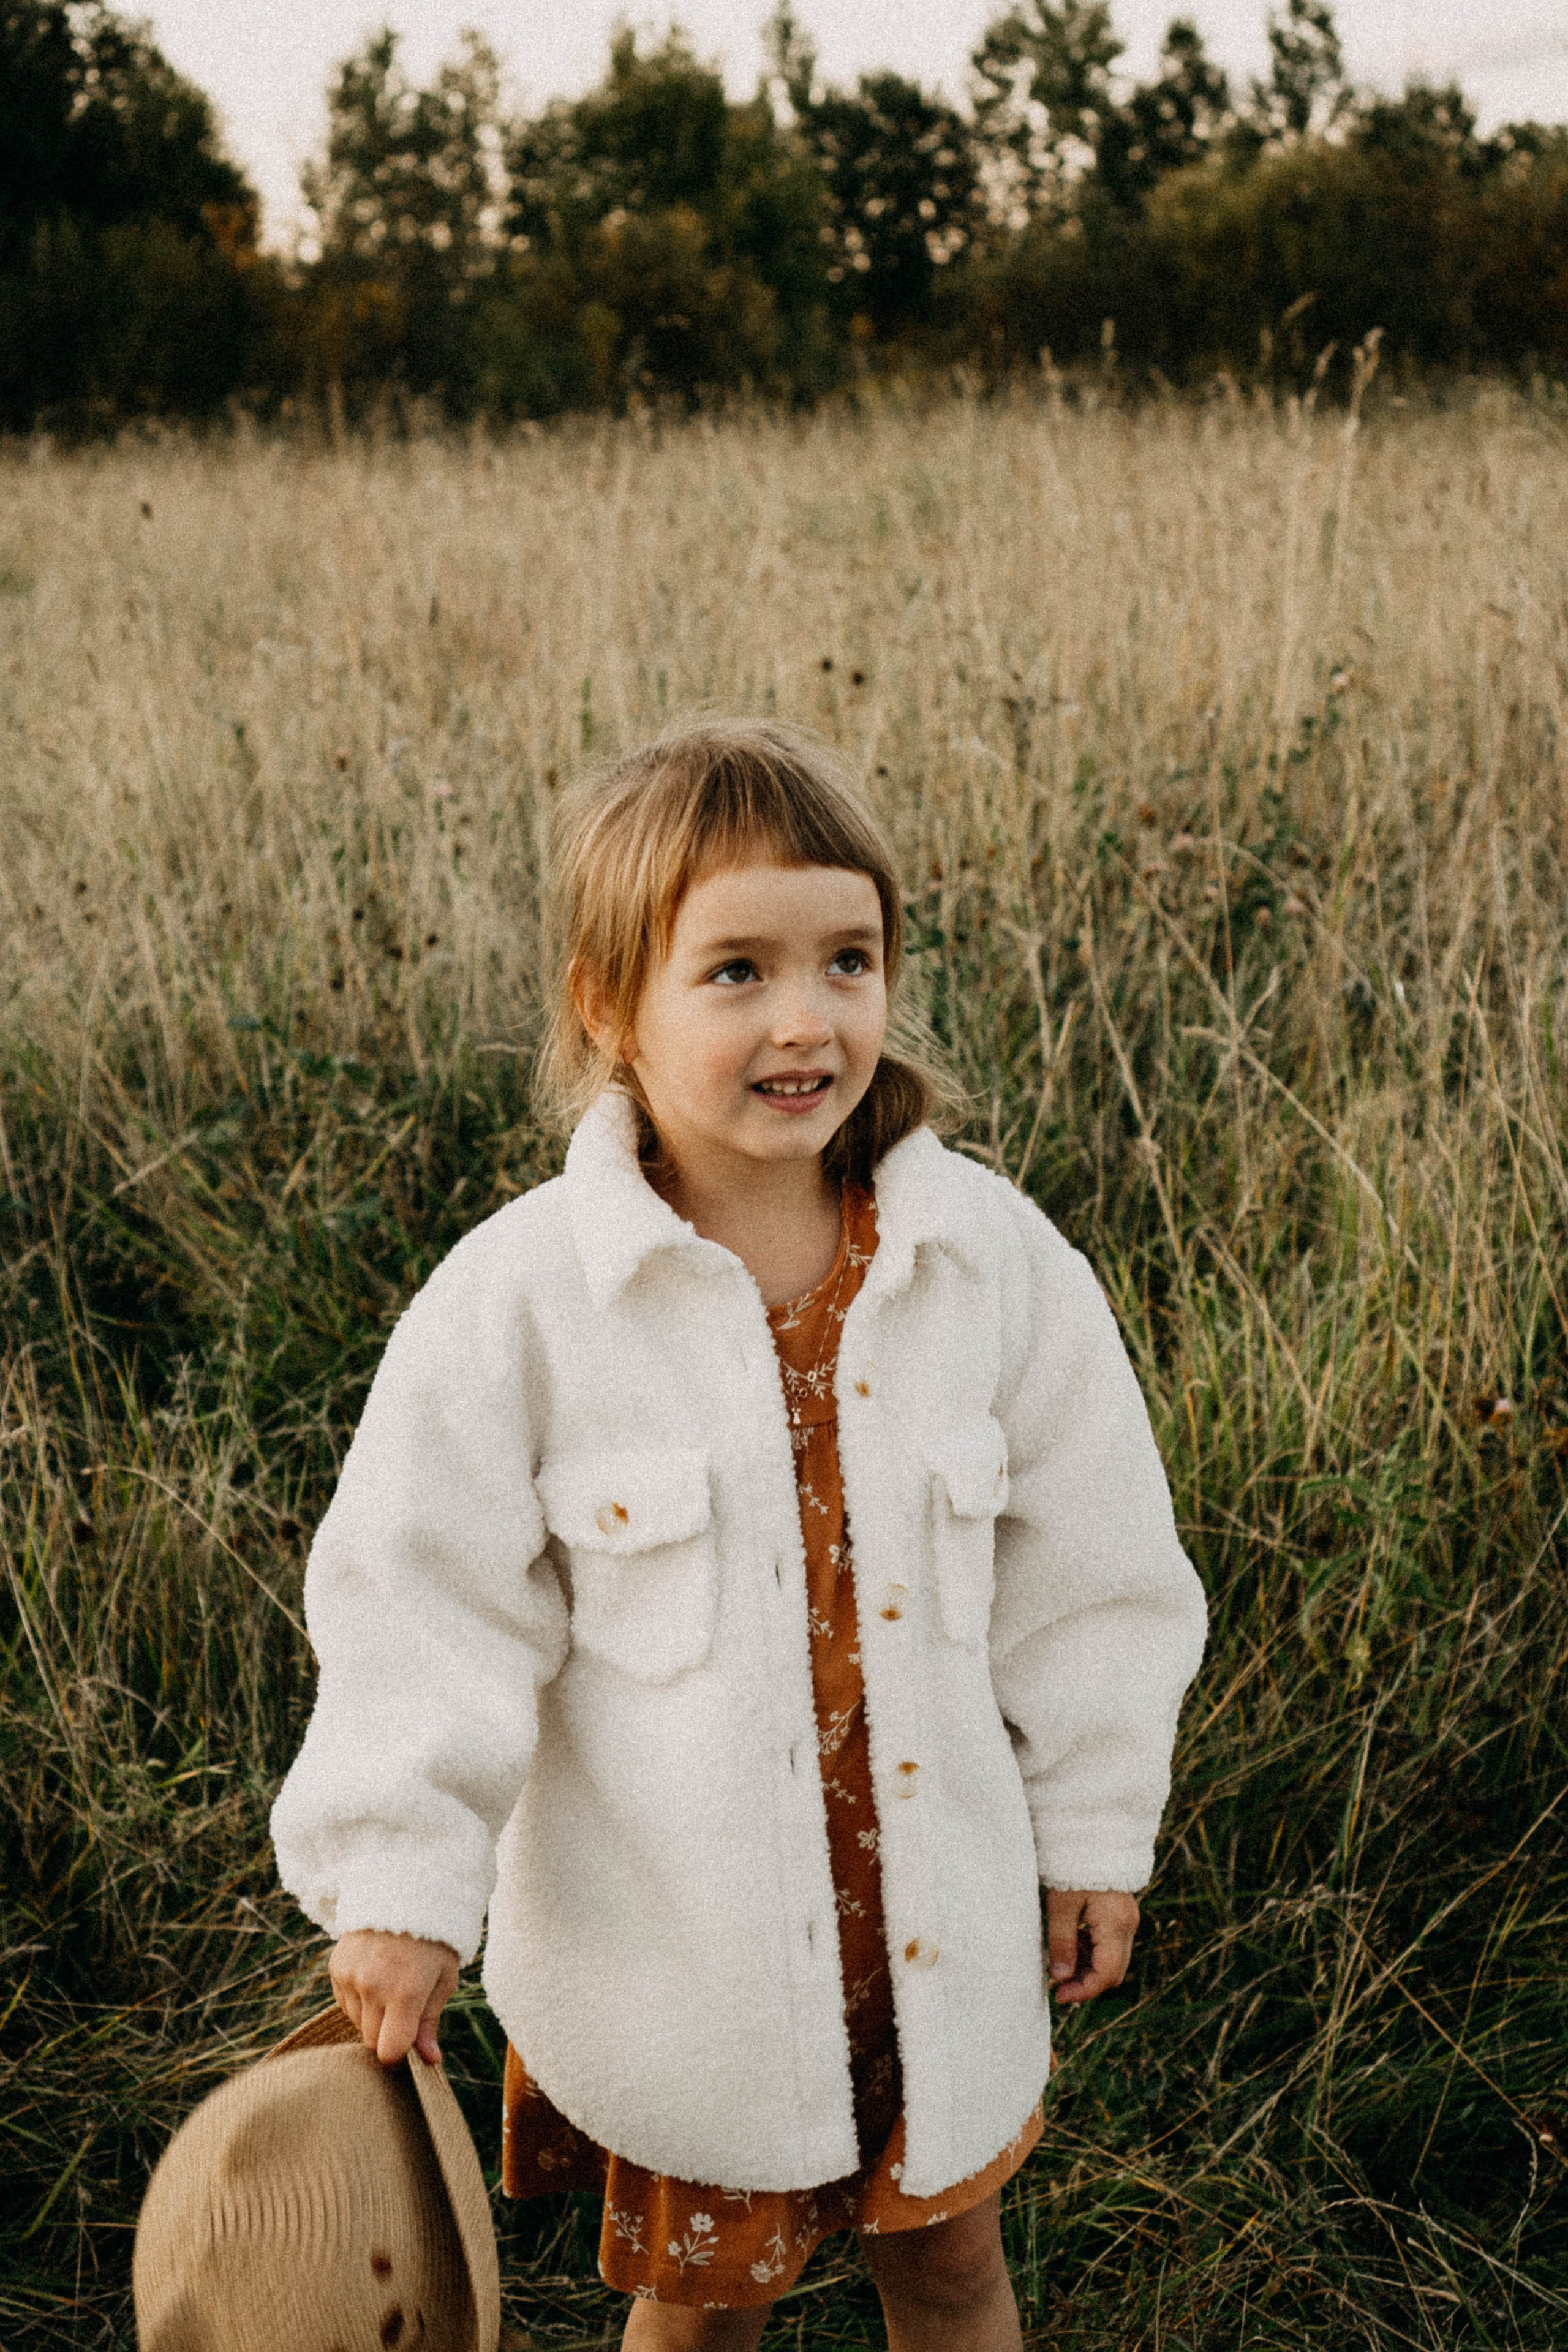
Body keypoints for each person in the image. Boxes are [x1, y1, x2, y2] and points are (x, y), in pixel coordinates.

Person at [271, 719, 1208, 2352]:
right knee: (702, 2312)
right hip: (686, 1965)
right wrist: (403, 1885)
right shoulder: (526, 1302)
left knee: (958, 2272)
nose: (804, 1018)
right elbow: (429, 1602)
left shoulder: (989, 1262)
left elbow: (1095, 1573)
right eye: (737, 973)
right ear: (607, 1004)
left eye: (848, 959)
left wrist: (1092, 1827)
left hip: (932, 1938)